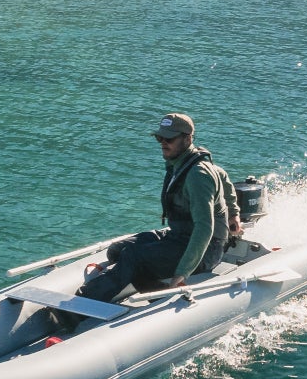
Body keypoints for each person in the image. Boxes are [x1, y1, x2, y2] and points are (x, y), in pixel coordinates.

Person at [74, 113, 241, 307]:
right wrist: (235, 213)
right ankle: (157, 292)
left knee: (134, 257)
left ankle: (78, 306)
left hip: (206, 249)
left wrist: (182, 273)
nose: (163, 143)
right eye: (159, 138)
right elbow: (223, 176)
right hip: (178, 236)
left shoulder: (197, 175)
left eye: (169, 139)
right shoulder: (181, 163)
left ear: (187, 139)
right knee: (118, 251)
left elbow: (204, 229)